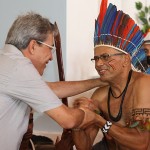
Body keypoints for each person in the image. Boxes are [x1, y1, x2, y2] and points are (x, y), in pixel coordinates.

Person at [0, 12, 108, 150]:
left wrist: (99, 82)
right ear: (33, 46)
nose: (51, 57)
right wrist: (91, 115)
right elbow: (68, 120)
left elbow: (50, 89)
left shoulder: (6, 60)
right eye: (50, 48)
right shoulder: (19, 68)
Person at [70, 0, 150, 150]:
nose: (99, 64)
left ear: (126, 59)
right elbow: (84, 146)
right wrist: (77, 121)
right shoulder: (99, 96)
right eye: (96, 58)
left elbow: (141, 143)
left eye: (105, 57)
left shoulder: (144, 84)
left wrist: (100, 121)